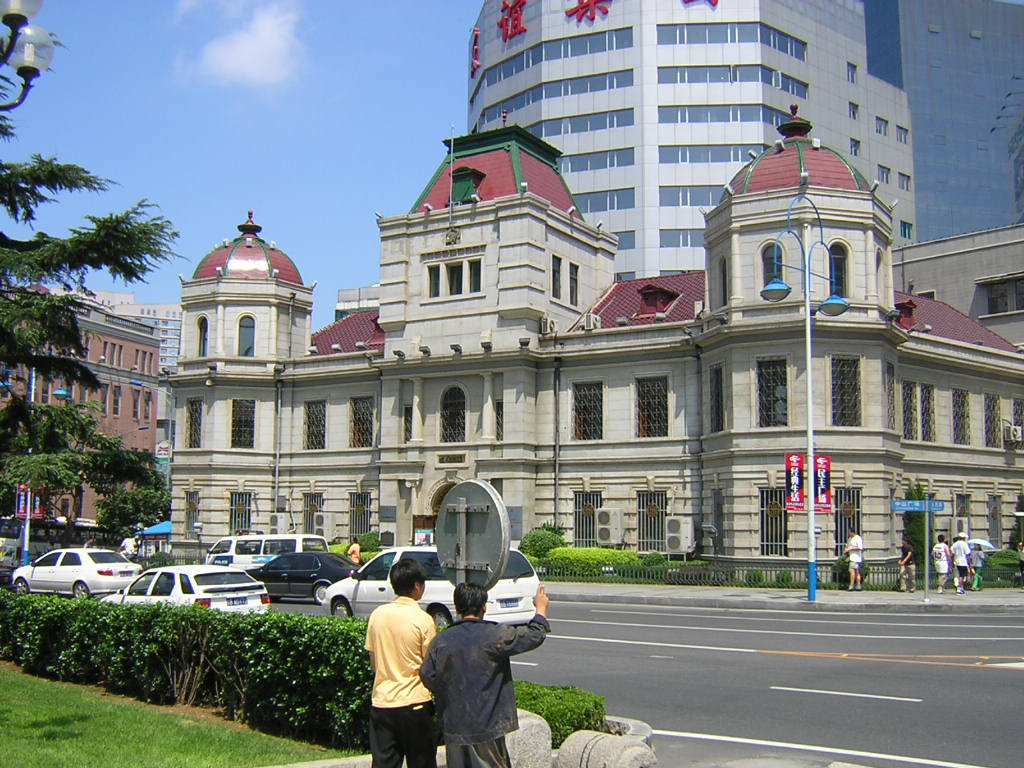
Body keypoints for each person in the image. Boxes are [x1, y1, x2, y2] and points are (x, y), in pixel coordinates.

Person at [420, 583, 550, 768]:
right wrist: (541, 608)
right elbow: (535, 635)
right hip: (488, 726)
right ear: (484, 607)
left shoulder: (441, 640)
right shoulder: (495, 635)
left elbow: (427, 674)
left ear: (457, 608)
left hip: (455, 726)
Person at [365, 558, 437, 768]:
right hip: (415, 703)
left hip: (382, 703)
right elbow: (430, 667)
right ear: (416, 586)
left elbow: (374, 662)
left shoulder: (377, 615)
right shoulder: (423, 619)